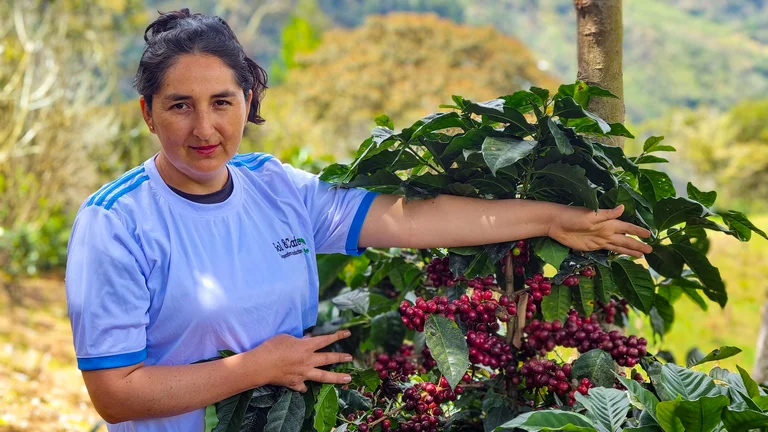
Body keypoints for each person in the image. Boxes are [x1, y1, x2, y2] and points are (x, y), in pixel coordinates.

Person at [64, 9, 653, 431]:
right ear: (148, 112)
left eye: (222, 102)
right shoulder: (116, 223)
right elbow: (115, 393)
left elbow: (415, 221)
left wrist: (550, 218)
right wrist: (260, 366)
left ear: (248, 100)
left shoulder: (277, 189)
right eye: (179, 106)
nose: (204, 128)